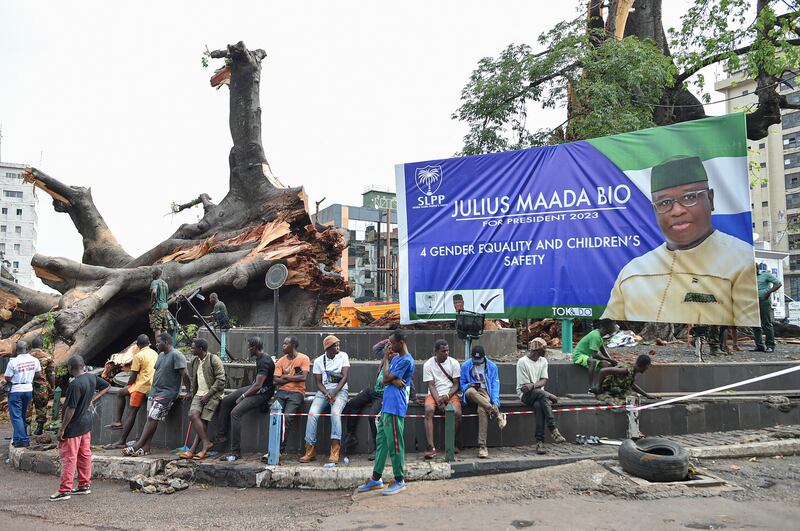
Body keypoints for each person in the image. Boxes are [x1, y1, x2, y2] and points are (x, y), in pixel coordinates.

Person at [602, 155, 759, 326]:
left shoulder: (741, 261)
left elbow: (747, 331)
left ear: (710, 199)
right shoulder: (632, 271)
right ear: (655, 210)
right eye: (664, 202)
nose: (676, 211)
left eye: (689, 197)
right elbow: (609, 325)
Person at [356, 329, 415, 496]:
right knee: (381, 442)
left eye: (392, 342)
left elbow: (387, 377)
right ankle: (376, 478)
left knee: (395, 443)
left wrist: (391, 376)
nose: (389, 345)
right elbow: (384, 379)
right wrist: (390, 372)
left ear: (400, 342)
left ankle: (399, 480)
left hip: (396, 406)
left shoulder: (406, 361)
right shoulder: (396, 358)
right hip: (387, 405)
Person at [49, 356, 110, 501]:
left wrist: (62, 428)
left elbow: (70, 408)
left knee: (69, 458)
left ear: (70, 367)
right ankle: (84, 485)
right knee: (84, 455)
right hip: (86, 423)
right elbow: (107, 386)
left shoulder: (75, 385)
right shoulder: (91, 377)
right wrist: (92, 399)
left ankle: (65, 490)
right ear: (83, 366)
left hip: (74, 426)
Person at [124, 333, 190, 456]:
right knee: (151, 418)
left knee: (152, 417)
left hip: (167, 393)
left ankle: (138, 444)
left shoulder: (177, 355)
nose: (156, 344)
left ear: (166, 342)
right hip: (154, 391)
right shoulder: (160, 355)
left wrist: (189, 390)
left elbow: (185, 374)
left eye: (159, 342)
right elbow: (158, 372)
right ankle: (147, 446)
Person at [216, 336, 275, 462]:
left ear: (254, 348)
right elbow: (256, 384)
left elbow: (258, 386)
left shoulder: (264, 361)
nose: (248, 350)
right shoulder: (260, 358)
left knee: (235, 413)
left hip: (262, 393)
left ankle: (235, 452)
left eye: (249, 347)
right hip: (256, 387)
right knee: (226, 401)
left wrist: (243, 396)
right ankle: (222, 435)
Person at [300, 335, 350, 464]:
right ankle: (310, 449)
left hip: (340, 391)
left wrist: (334, 393)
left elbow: (345, 377)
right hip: (323, 392)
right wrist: (327, 394)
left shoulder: (343, 356)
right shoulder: (318, 361)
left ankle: (335, 449)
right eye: (335, 346)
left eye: (338, 345)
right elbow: (318, 383)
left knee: (335, 413)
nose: (338, 348)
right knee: (312, 414)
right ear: (328, 348)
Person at [104, 335, 158, 449]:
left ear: (137, 346)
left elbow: (133, 376)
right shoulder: (154, 353)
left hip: (141, 387)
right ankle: (118, 421)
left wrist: (129, 385)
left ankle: (122, 441)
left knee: (131, 413)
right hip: (151, 384)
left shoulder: (138, 356)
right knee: (120, 393)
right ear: (148, 343)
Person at [342, 339, 392, 459]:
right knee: (351, 404)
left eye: (392, 348)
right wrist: (389, 339)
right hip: (374, 390)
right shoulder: (384, 356)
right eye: (388, 348)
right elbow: (376, 348)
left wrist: (413, 397)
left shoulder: (398, 361)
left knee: (372, 416)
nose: (389, 351)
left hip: (384, 395)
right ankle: (351, 435)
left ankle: (377, 448)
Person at [517, 338, 566, 455]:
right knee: (541, 395)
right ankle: (553, 428)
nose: (545, 352)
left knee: (539, 405)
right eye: (544, 350)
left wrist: (534, 386)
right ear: (537, 351)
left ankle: (540, 442)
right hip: (525, 395)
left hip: (539, 395)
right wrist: (548, 394)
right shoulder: (522, 362)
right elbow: (525, 388)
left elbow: (543, 381)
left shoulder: (543, 361)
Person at [182, 338, 226, 460]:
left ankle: (196, 449)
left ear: (200, 349)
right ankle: (206, 442)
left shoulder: (214, 360)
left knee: (204, 421)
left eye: (193, 347)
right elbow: (194, 379)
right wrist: (191, 392)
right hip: (198, 394)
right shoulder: (195, 361)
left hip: (213, 395)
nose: (191, 349)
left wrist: (208, 395)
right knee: (192, 415)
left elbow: (221, 381)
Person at [460, 345, 507, 458]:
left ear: (484, 357)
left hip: (485, 392)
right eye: (475, 360)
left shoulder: (492, 366)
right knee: (471, 391)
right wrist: (468, 385)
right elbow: (461, 385)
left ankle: (482, 446)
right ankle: (496, 413)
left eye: (479, 360)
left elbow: (495, 385)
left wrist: (495, 402)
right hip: (470, 392)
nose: (477, 362)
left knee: (482, 409)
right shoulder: (466, 365)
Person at [422, 339, 461, 459]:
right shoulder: (428, 364)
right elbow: (431, 385)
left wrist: (447, 397)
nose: (446, 353)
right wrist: (439, 400)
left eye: (447, 350)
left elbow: (456, 384)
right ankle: (431, 447)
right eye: (443, 351)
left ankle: (450, 443)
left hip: (450, 393)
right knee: (428, 410)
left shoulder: (454, 363)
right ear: (436, 352)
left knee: (457, 413)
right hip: (434, 394)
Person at [273, 336, 310, 454]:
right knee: (275, 417)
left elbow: (303, 377)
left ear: (293, 345)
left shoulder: (304, 358)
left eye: (286, 344)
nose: (283, 346)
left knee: (287, 417)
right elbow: (275, 381)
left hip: (297, 392)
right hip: (281, 392)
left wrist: (285, 377)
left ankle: (279, 450)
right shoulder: (281, 361)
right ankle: (272, 448)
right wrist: (294, 378)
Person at [4, 340, 42, 447]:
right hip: (28, 389)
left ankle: (24, 440)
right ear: (27, 349)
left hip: (16, 390)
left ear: (16, 350)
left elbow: (7, 377)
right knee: (21, 415)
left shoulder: (13, 362)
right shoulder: (35, 360)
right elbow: (38, 374)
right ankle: (16, 439)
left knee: (16, 417)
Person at [572, 319, 618, 393]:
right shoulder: (595, 336)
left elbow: (603, 349)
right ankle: (591, 387)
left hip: (587, 356)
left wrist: (611, 361)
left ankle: (603, 386)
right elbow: (595, 355)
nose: (615, 328)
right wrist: (610, 360)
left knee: (606, 364)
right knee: (592, 362)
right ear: (606, 327)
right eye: (613, 326)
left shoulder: (599, 335)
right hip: (579, 356)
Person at [753, 263, 782, 353]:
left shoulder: (765, 275)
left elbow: (778, 284)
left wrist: (768, 292)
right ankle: (759, 345)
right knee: (754, 324)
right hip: (752, 302)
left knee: (766, 323)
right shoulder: (748, 278)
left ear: (757, 269)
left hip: (763, 301)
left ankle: (770, 345)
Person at [29, 336, 55, 436]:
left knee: (27, 406)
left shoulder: (26, 356)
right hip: (41, 386)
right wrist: (52, 387)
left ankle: (27, 429)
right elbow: (51, 373)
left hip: (28, 385)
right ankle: (39, 428)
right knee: (42, 406)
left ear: (31, 346)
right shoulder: (47, 357)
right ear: (42, 345)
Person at [204, 293, 231, 361]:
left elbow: (213, 317)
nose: (209, 300)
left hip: (223, 325)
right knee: (224, 341)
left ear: (213, 298)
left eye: (210, 299)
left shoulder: (217, 305)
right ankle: (224, 356)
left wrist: (202, 317)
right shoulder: (221, 303)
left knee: (223, 341)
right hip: (226, 324)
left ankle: (223, 357)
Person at [149, 268, 170, 338]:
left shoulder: (155, 282)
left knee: (157, 328)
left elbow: (154, 292)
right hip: (165, 308)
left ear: (155, 274)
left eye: (152, 273)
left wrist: (152, 302)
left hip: (157, 307)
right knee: (164, 328)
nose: (151, 275)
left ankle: (159, 346)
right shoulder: (165, 284)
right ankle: (166, 346)